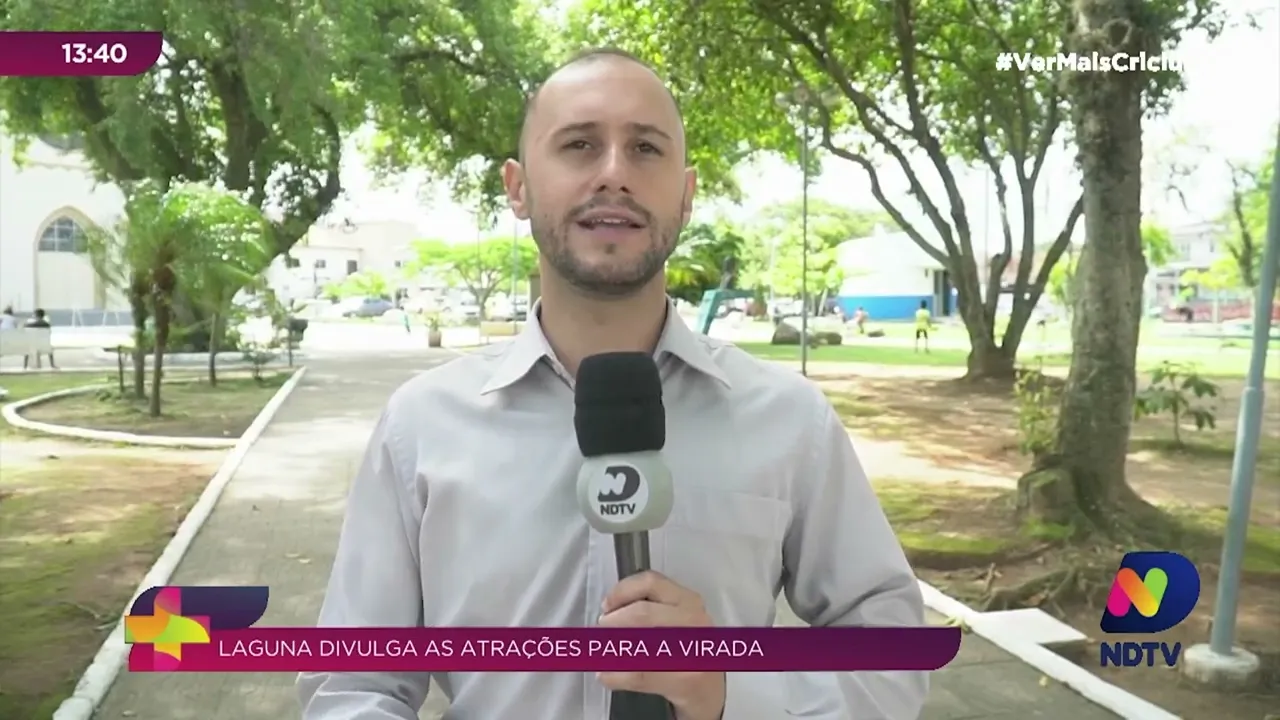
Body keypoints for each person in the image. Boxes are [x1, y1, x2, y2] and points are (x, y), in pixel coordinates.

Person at [298, 47, 927, 720]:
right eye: (579, 145)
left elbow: (890, 650)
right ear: (518, 187)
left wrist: (732, 691)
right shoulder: (420, 427)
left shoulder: (787, 420)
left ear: (685, 197)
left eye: (646, 150)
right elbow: (354, 684)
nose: (614, 174)